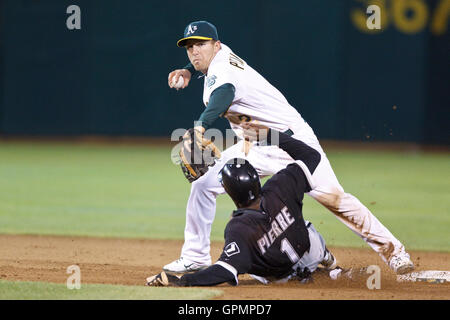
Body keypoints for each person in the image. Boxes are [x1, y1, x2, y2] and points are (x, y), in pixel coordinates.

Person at [164, 20, 414, 275]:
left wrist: (201, 126)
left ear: (216, 45)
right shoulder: (219, 56)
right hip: (256, 146)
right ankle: (195, 256)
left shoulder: (224, 71)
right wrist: (188, 70)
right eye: (189, 46)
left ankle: (394, 252)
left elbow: (223, 94)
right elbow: (206, 65)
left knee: (335, 199)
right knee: (203, 183)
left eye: (200, 45)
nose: (194, 51)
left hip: (292, 144)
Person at [147, 128, 338, 287]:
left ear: (229, 192)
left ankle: (306, 275)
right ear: (256, 176)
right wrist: (272, 135)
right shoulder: (282, 184)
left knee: (250, 263)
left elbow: (223, 270)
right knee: (302, 224)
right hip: (311, 252)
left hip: (282, 278)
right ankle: (329, 261)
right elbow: (312, 155)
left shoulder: (239, 228)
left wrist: (181, 281)